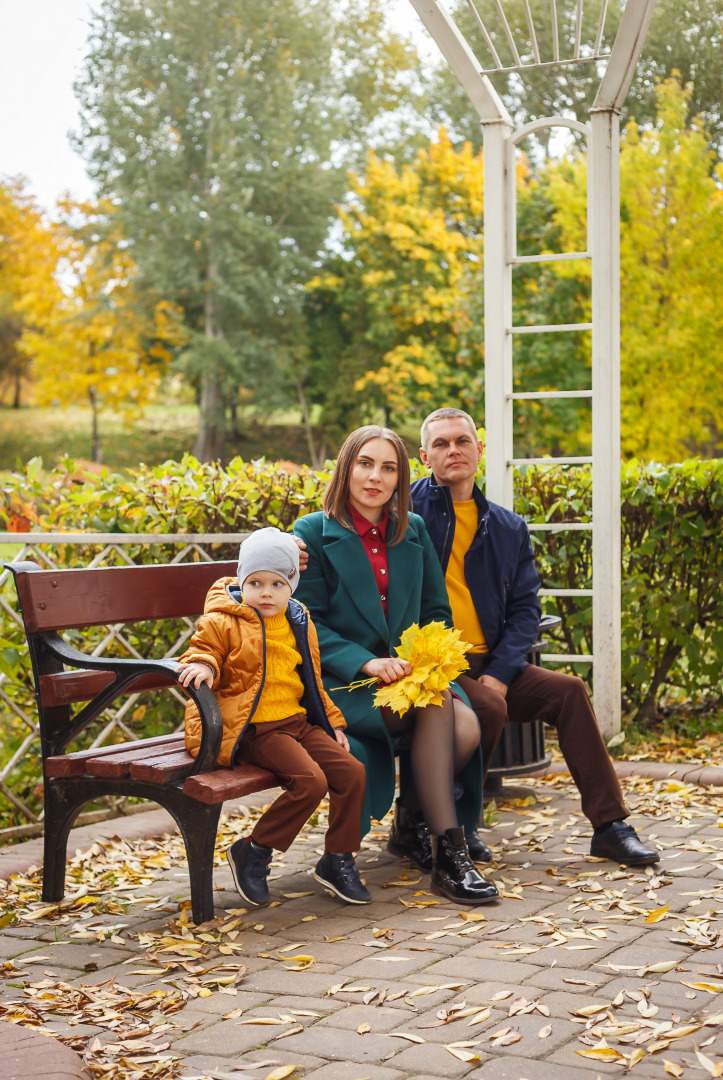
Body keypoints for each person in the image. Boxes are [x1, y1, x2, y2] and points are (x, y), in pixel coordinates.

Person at [410, 407, 659, 867]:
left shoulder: (507, 527)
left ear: (479, 450)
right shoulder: (404, 513)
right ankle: (447, 828)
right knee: (488, 705)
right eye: (441, 444)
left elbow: (526, 610)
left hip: (491, 662)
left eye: (462, 441)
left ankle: (609, 826)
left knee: (567, 691)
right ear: (425, 457)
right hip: (433, 667)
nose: (453, 451)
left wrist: (503, 671)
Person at [293, 425, 499, 905]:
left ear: (401, 478)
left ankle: (418, 826)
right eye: (365, 463)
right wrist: (366, 662)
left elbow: (436, 613)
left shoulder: (414, 529)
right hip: (345, 682)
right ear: (346, 468)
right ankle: (449, 854)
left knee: (466, 728)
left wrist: (422, 664)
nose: (375, 477)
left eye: (389, 468)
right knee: (439, 712)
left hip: (409, 673)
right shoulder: (311, 533)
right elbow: (308, 624)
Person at [176, 527, 371, 908]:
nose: (266, 592)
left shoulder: (298, 619)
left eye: (278, 583)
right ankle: (254, 850)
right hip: (254, 727)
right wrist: (204, 667)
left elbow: (311, 679)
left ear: (292, 586)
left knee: (353, 772)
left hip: (295, 721)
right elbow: (204, 649)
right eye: (256, 582)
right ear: (241, 579)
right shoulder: (224, 618)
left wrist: (332, 723)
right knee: (311, 782)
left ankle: (338, 858)